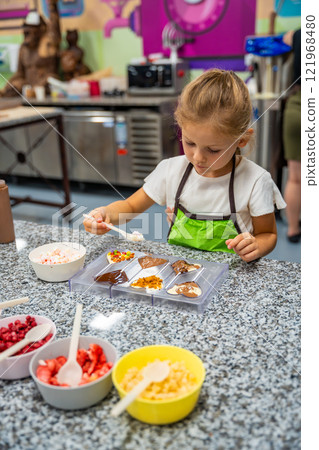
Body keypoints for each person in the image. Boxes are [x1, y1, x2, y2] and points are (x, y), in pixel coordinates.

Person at [83, 69, 286, 262]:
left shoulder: (256, 180)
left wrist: (256, 246)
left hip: (232, 279)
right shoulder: (170, 171)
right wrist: (106, 214)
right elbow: (130, 206)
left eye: (213, 150)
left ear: (241, 140)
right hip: (181, 275)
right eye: (189, 143)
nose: (198, 157)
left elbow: (267, 234)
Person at [0, 0, 61, 97]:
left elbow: (55, 29)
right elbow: (19, 73)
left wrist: (52, 6)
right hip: (28, 88)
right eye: (26, 28)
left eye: (31, 28)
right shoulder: (24, 48)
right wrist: (6, 87)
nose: (27, 31)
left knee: (51, 79)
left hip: (45, 88)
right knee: (15, 85)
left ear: (40, 29)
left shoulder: (47, 44)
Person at [282, 29, 301, 243]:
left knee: (295, 178)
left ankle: (293, 229)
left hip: (298, 105)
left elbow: (285, 39)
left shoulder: (299, 33)